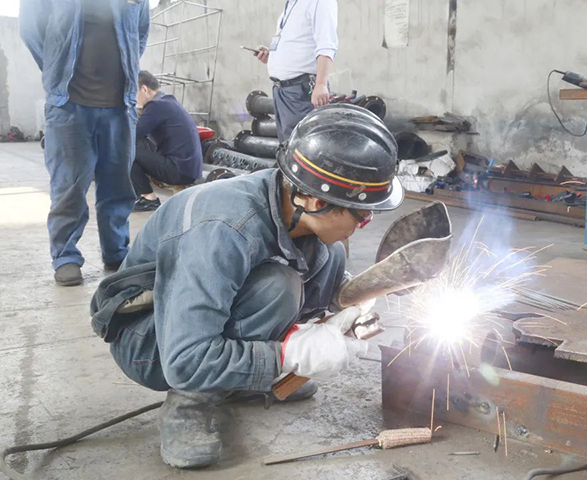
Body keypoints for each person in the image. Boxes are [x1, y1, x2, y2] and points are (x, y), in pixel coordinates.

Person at [90, 104, 404, 468]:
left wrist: (353, 300)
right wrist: (288, 356)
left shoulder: (289, 199)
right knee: (278, 288)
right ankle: (190, 403)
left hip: (184, 328)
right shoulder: (224, 230)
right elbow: (185, 359)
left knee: (330, 255)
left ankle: (242, 381)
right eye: (363, 215)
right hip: (151, 341)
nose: (365, 223)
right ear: (316, 201)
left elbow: (325, 274)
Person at [19, 0, 150, 286]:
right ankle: (65, 256)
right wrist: (56, 68)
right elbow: (30, 29)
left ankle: (116, 252)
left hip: (120, 107)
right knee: (69, 186)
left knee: (118, 187)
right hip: (69, 106)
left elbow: (140, 34)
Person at [254, 0, 338, 142]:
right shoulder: (291, 4)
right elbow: (298, 42)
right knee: (287, 148)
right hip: (282, 92)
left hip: (301, 91)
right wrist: (273, 56)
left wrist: (321, 84)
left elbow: (327, 45)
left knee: (303, 146)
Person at [132, 71, 203, 212]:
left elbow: (132, 135)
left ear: (144, 89)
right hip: (187, 168)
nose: (133, 98)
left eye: (133, 92)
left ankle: (148, 198)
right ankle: (139, 194)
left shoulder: (155, 105)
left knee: (124, 148)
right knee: (137, 144)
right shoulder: (166, 101)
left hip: (179, 170)